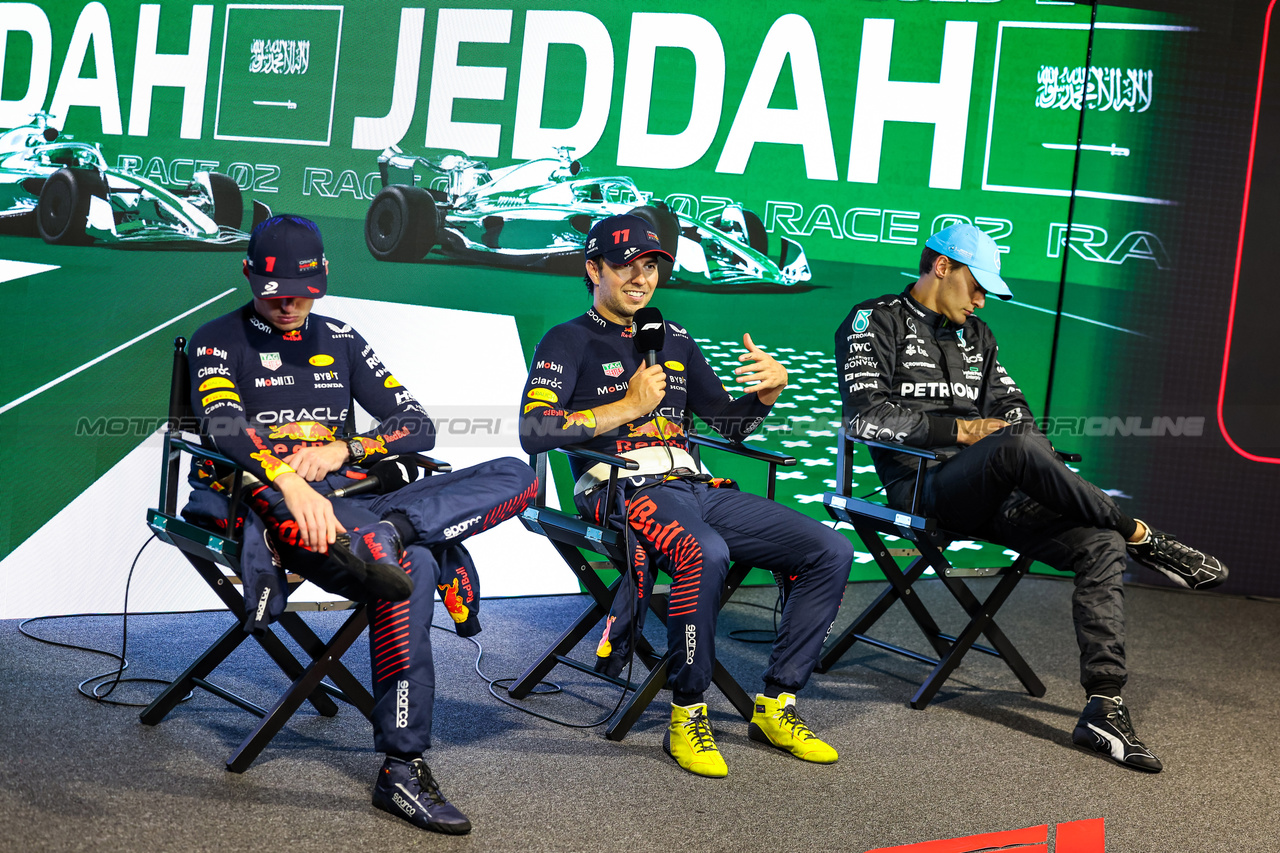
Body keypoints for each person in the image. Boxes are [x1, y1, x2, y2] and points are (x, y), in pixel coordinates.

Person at [184, 214, 536, 833]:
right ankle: (402, 767)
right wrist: (289, 480)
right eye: (276, 290)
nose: (290, 302)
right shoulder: (216, 340)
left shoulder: (342, 337)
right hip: (282, 509)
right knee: (418, 565)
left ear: (323, 279)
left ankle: (395, 532)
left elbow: (415, 424)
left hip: (368, 505)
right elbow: (222, 423)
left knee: (516, 471)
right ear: (249, 275)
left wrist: (348, 450)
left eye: (304, 290)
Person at [835, 221, 1228, 773]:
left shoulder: (980, 335)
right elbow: (865, 418)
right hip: (920, 488)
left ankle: (1104, 706)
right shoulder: (873, 319)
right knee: (1015, 447)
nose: (981, 299)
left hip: (996, 486)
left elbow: (1016, 412)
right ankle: (1143, 534)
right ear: (941, 266)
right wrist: (968, 432)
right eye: (977, 285)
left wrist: (1030, 458)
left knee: (1096, 542)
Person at [519, 213, 852, 778]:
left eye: (651, 266)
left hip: (695, 485)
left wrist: (766, 395)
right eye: (626, 265)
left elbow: (730, 426)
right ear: (593, 268)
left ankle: (777, 703)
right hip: (619, 488)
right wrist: (626, 407)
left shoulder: (673, 338)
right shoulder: (567, 339)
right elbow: (534, 431)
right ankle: (688, 713)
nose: (640, 278)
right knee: (705, 551)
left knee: (829, 550)